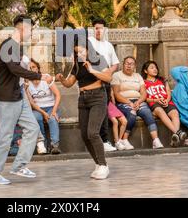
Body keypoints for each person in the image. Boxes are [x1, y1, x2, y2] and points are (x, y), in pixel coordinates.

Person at [0, 15, 53, 185]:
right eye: (31, 28)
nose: (32, 32)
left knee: (33, 128)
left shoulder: (17, 47)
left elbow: (18, 71)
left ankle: (19, 166)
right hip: (7, 98)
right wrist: (39, 76)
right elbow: (14, 69)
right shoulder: (8, 46)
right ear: (23, 28)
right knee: (4, 136)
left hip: (19, 95)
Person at [55, 36, 112, 180]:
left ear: (88, 49)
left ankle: (104, 165)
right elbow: (69, 83)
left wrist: (92, 70)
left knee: (93, 133)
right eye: (77, 53)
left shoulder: (99, 59)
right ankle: (98, 164)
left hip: (98, 97)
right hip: (83, 99)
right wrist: (61, 79)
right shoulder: (77, 64)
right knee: (85, 136)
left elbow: (108, 78)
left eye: (81, 52)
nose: (79, 55)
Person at [0, 55, 48, 154]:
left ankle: (40, 142)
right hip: (5, 94)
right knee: (4, 123)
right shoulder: (2, 58)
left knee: (30, 119)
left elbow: (25, 73)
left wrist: (26, 83)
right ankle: (4, 149)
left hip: (19, 91)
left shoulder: (25, 60)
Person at [112, 56, 164, 149]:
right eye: (127, 63)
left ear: (135, 66)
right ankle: (125, 139)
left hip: (138, 100)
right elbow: (116, 94)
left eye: (131, 64)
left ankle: (155, 140)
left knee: (147, 113)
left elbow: (144, 93)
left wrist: (139, 102)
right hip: (123, 101)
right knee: (132, 113)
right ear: (123, 65)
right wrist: (129, 102)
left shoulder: (138, 76)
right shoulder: (117, 75)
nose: (129, 66)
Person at [88, 18, 120, 152]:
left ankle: (105, 140)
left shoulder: (108, 45)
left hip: (106, 81)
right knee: (94, 112)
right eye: (96, 28)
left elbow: (116, 64)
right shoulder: (89, 42)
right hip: (92, 81)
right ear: (93, 29)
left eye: (101, 28)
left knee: (104, 111)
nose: (99, 30)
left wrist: (108, 71)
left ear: (105, 29)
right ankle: (95, 141)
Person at [142, 60, 186, 147]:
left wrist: (167, 100)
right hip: (154, 103)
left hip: (166, 102)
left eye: (156, 68)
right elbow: (144, 98)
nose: (155, 70)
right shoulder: (143, 83)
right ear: (145, 71)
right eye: (152, 68)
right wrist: (156, 100)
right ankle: (177, 132)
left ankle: (175, 139)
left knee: (175, 113)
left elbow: (168, 93)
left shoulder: (162, 80)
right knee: (159, 110)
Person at [26, 59, 62, 154]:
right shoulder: (27, 83)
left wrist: (54, 111)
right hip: (37, 109)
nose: (32, 69)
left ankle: (55, 145)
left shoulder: (46, 78)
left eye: (33, 67)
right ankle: (42, 144)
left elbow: (58, 95)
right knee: (35, 117)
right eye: (29, 68)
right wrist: (43, 113)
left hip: (51, 107)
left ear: (38, 68)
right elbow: (32, 103)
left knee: (52, 118)